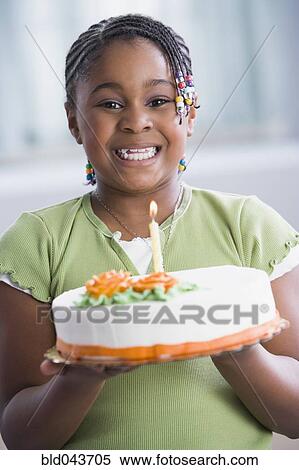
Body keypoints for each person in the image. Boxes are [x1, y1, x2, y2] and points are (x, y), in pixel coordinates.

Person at [0, 13, 299, 450]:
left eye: (158, 100)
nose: (136, 121)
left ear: (189, 113)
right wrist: (82, 372)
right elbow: (21, 438)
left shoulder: (251, 228)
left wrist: (237, 347)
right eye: (110, 104)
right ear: (73, 120)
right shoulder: (35, 244)